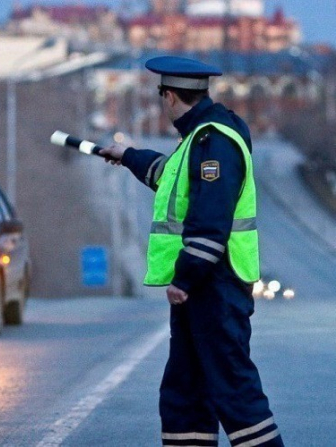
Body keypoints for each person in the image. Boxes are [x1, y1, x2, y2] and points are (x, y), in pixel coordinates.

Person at [100, 56, 284, 447]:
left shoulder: (213, 140)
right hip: (206, 287)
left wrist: (184, 279)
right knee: (185, 391)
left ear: (168, 96)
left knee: (234, 390)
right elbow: (170, 178)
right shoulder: (200, 137)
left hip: (214, 285)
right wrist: (128, 154)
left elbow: (210, 216)